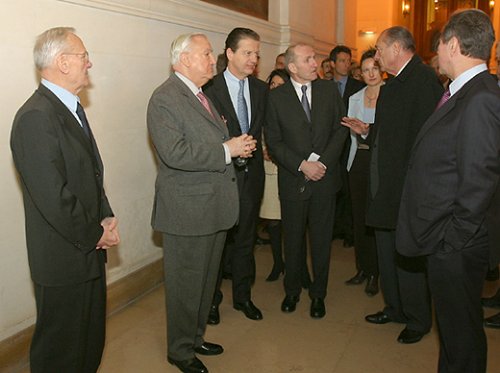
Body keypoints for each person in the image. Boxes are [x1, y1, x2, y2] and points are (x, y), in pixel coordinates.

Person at [10, 27, 120, 373]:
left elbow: (90, 174)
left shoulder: (69, 108)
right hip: (62, 259)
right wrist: (94, 233)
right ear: (62, 62)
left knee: (88, 343)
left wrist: (105, 217)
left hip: (87, 247)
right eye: (83, 56)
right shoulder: (35, 118)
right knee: (60, 352)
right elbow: (53, 197)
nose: (89, 63)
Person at [396, 10, 500, 372]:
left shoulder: (481, 97)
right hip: (447, 237)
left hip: (455, 242)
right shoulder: (463, 91)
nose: (436, 53)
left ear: (453, 44)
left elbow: (480, 179)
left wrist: (451, 240)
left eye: (439, 44)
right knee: (454, 333)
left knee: (462, 335)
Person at [147, 33, 256, 373]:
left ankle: (195, 338)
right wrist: (228, 150)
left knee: (205, 283)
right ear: (184, 59)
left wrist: (234, 149)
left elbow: (212, 142)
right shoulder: (165, 98)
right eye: (207, 54)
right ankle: (179, 350)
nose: (213, 60)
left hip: (212, 207)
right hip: (187, 211)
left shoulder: (200, 95)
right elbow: (175, 152)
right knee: (185, 285)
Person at [345, 26, 443, 344]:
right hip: (384, 183)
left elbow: (426, 138)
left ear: (397, 48)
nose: (376, 56)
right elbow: (391, 132)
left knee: (408, 254)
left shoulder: (423, 80)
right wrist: (366, 130)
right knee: (387, 250)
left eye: (379, 49)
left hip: (408, 187)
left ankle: (417, 318)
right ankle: (395, 307)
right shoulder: (391, 86)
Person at [265, 43, 347, 319]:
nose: (316, 63)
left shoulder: (329, 90)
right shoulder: (277, 98)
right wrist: (302, 165)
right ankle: (292, 291)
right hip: (293, 180)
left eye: (315, 57)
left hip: (325, 179)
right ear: (292, 67)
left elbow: (340, 130)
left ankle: (318, 295)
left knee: (322, 241)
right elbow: (274, 142)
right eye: (309, 59)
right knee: (293, 239)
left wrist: (322, 164)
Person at [204, 27, 267, 323]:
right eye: (247, 52)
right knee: (219, 243)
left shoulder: (260, 89)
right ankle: (212, 301)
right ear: (229, 54)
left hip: (252, 178)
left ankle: (243, 297)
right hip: (222, 176)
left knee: (246, 240)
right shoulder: (209, 89)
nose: (254, 58)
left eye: (256, 53)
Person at [341, 49, 382, 297]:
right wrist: (360, 131)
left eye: (374, 69)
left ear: (381, 69)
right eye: (365, 70)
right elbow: (352, 134)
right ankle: (363, 268)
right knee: (359, 218)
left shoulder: (391, 95)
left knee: (376, 218)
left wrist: (367, 130)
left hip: (380, 163)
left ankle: (377, 271)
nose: (370, 74)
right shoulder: (355, 97)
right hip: (358, 161)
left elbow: (389, 133)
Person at [329, 45, 365, 248]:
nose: (345, 64)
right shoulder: (323, 86)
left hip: (351, 143)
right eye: (341, 60)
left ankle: (350, 231)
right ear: (332, 64)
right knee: (334, 188)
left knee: (350, 190)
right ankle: (335, 228)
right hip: (330, 146)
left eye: (348, 60)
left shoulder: (358, 86)